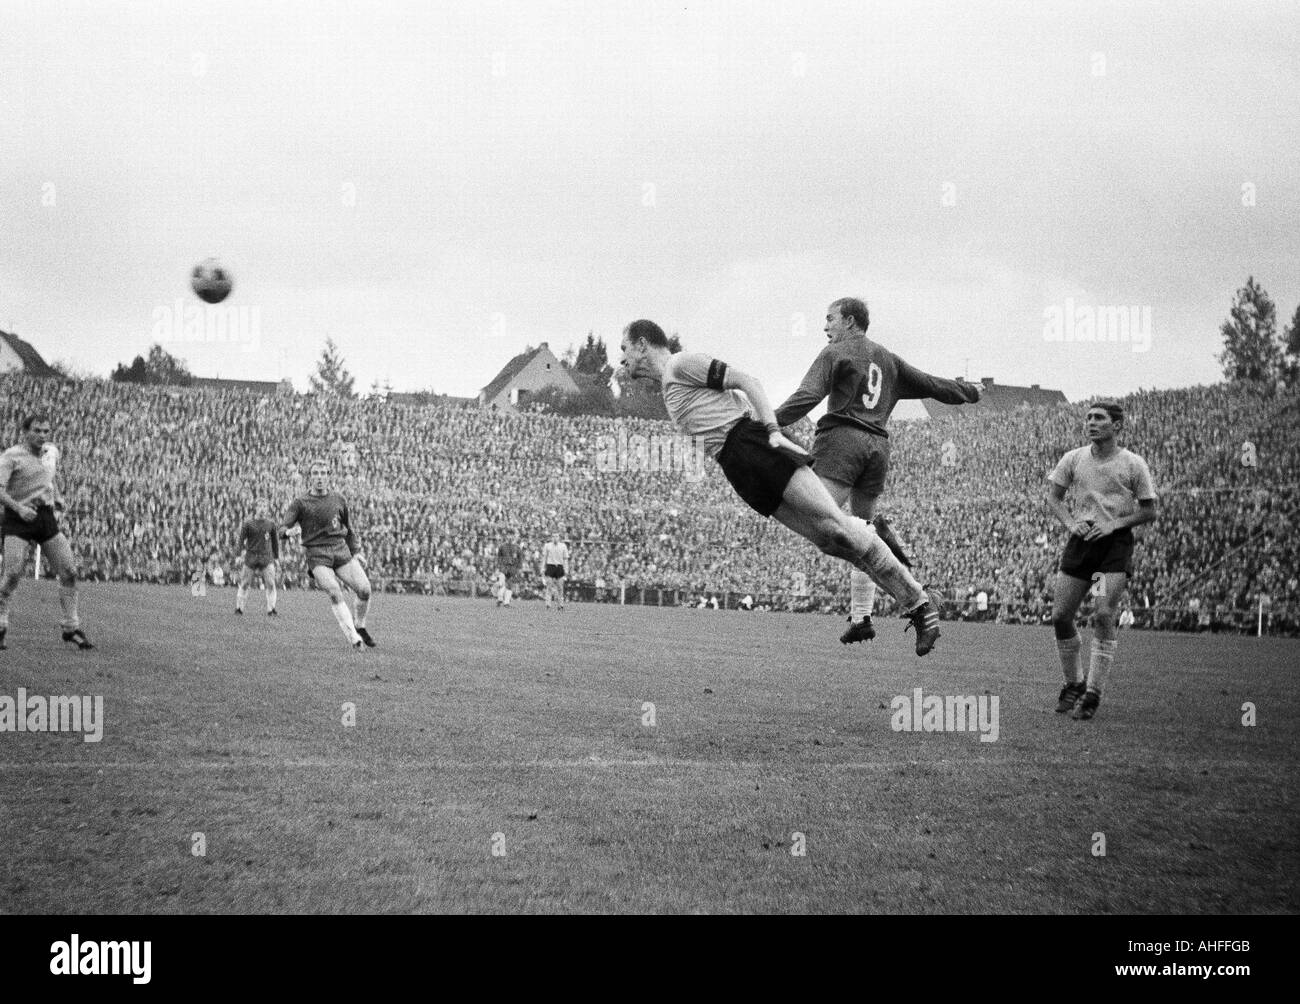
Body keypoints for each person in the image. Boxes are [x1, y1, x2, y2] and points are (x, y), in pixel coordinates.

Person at [618, 319, 940, 655]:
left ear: (642, 344)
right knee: (831, 542)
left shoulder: (681, 364)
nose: (621, 358)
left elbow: (747, 381)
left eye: (624, 348)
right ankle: (874, 535)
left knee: (840, 530)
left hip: (753, 443)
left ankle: (918, 603)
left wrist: (771, 428)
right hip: (737, 465)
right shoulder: (669, 385)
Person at [775, 297, 980, 644]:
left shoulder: (835, 353)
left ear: (851, 321)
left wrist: (768, 422)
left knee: (822, 521)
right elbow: (932, 385)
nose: (825, 328)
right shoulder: (888, 359)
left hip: (842, 442)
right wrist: (971, 391)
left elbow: (806, 395)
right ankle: (862, 615)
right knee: (861, 529)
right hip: (877, 449)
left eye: (830, 319)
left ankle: (909, 590)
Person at [1046, 401, 1157, 720]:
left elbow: (1149, 510)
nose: (1091, 423)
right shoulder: (1073, 458)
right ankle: (1074, 683)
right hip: (1081, 542)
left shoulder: (1133, 464)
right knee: (1060, 616)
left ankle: (1093, 692)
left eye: (1099, 418)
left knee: (1104, 613)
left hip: (1114, 544)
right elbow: (1053, 498)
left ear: (1117, 426)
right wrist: (1070, 523)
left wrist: (1114, 524)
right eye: (1089, 418)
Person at [0, 414, 93, 649]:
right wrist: (20, 509)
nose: (42, 435)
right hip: (18, 518)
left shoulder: (50, 452)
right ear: (25, 431)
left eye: (46, 431)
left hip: (45, 517)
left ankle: (71, 627)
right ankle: (0, 624)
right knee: (12, 573)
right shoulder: (12, 456)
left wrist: (58, 498)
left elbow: (49, 478)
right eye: (37, 431)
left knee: (69, 571)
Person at [281, 460, 375, 649]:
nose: (319, 477)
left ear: (329, 475)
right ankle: (354, 638)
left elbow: (348, 528)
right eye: (315, 473)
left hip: (340, 549)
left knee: (365, 589)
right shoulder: (301, 503)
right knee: (334, 590)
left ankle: (360, 626)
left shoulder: (339, 499)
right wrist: (287, 532)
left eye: (323, 473)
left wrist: (356, 551)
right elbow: (281, 528)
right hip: (317, 554)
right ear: (310, 477)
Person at [236, 500, 280, 616]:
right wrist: (238, 554)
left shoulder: (271, 524)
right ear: (256, 508)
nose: (262, 508)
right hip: (251, 556)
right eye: (260, 505)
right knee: (245, 583)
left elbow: (275, 542)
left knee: (271, 583)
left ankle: (271, 609)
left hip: (266, 557)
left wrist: (276, 557)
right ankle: (239, 608)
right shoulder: (248, 523)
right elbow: (241, 540)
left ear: (267, 508)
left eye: (264, 506)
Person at [541, 531, 569, 610]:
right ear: (551, 537)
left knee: (560, 587)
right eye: (553, 536)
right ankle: (548, 604)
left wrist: (566, 569)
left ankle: (560, 604)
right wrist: (543, 568)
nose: (555, 538)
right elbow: (544, 558)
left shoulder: (563, 546)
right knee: (549, 586)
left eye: (556, 536)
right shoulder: (547, 546)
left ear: (559, 537)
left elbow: (565, 559)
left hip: (559, 567)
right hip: (550, 566)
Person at [495, 531, 523, 607]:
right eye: (508, 535)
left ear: (514, 536)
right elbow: (498, 557)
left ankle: (506, 603)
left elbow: (520, 559)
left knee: (510, 585)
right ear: (506, 536)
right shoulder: (502, 546)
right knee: (501, 583)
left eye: (511, 535)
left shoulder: (517, 547)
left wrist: (519, 568)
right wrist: (498, 567)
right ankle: (500, 598)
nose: (510, 537)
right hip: (503, 567)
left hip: (513, 568)